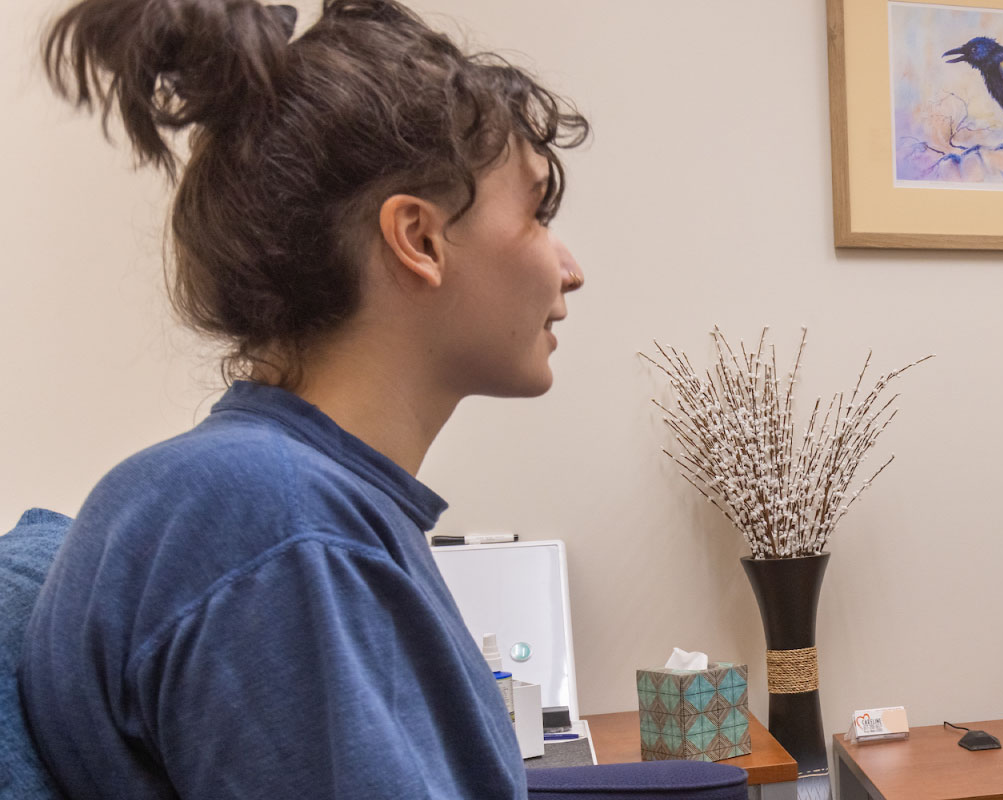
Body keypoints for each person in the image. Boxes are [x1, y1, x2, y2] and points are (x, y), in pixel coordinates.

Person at [21, 1, 588, 797]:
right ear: (418, 239)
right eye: (537, 212)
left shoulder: (304, 508)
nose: (569, 269)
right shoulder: (276, 525)